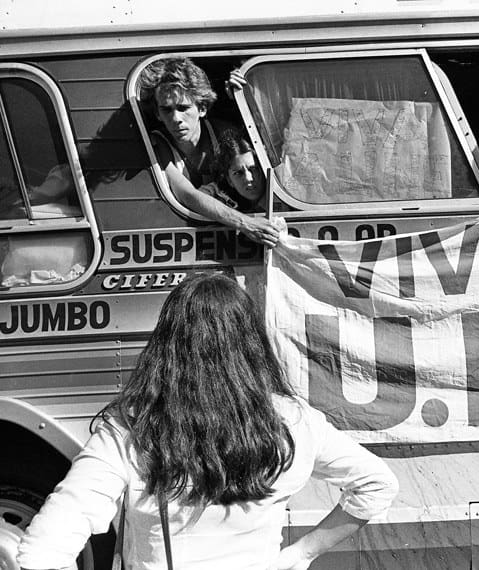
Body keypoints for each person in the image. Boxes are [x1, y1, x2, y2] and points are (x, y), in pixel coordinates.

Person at [17, 273, 398, 570]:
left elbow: (42, 551)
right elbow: (377, 484)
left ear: (166, 344)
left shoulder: (130, 432)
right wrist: (301, 553)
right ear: (252, 343)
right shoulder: (294, 422)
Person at [138, 58, 280, 248]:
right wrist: (245, 224)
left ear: (202, 108)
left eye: (183, 108)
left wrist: (244, 91)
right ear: (157, 114)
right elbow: (186, 195)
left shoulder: (224, 134)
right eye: (166, 110)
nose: (176, 119)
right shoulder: (158, 144)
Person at [201, 129, 266, 213]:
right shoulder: (226, 199)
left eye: (253, 169)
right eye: (238, 173)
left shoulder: (280, 198)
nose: (248, 178)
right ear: (229, 180)